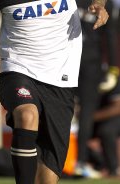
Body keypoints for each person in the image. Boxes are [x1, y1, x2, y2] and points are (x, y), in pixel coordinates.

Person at [0, 0, 109, 183]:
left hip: (60, 81)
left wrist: (100, 5)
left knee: (47, 178)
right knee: (27, 115)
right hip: (17, 69)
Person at [74, 0, 119, 178]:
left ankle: (74, 160)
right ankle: (80, 162)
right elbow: (110, 36)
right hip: (89, 62)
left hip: (67, 60)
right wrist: (113, 67)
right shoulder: (105, 4)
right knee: (85, 112)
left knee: (70, 109)